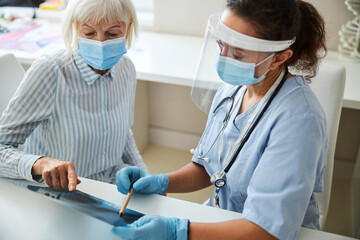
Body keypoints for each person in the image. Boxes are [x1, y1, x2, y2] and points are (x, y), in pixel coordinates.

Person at [113, 0, 328, 239]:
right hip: (222, 220)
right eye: (220, 45)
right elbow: (212, 169)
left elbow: (267, 231)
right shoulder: (232, 90)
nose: (224, 58)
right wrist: (162, 181)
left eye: (237, 52)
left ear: (278, 58)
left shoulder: (299, 120)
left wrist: (177, 232)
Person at [0, 0, 146, 191]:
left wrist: (145, 175)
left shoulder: (127, 69)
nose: (100, 42)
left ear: (128, 28)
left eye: (112, 34)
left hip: (111, 188)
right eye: (89, 33)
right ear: (74, 28)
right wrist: (41, 164)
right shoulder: (51, 71)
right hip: (62, 192)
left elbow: (123, 132)